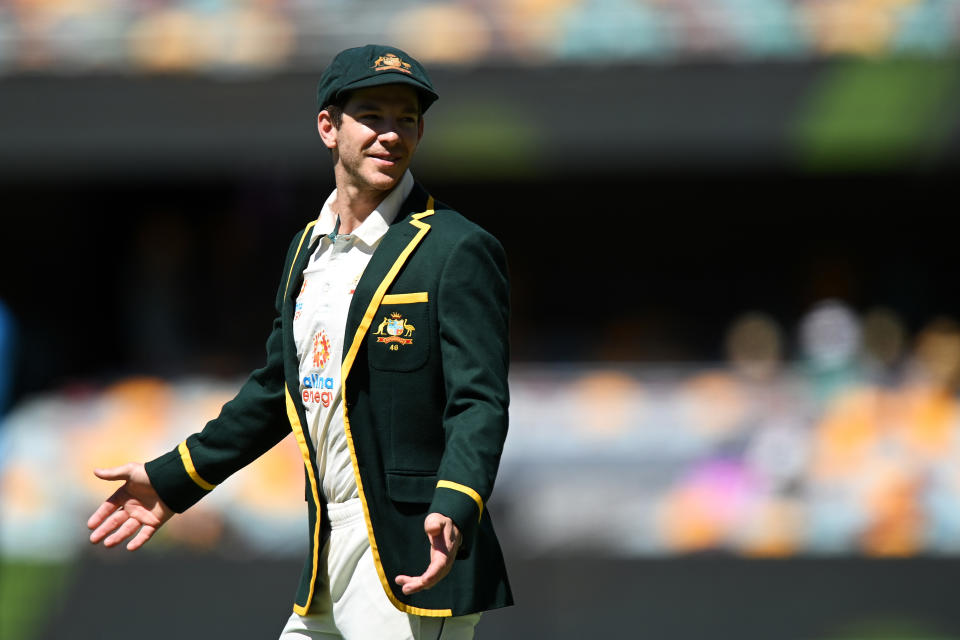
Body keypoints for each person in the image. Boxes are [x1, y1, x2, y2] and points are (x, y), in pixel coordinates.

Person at [87, 44, 513, 639]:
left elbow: (479, 401)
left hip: (413, 556)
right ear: (328, 128)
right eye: (372, 115)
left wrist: (456, 502)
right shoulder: (305, 249)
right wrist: (173, 479)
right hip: (324, 556)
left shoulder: (455, 247)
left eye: (407, 118)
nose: (391, 134)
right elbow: (275, 392)